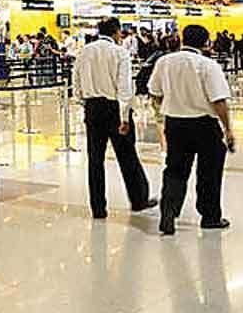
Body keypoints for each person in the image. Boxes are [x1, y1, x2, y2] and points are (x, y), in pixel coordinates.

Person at [149, 25, 235, 235]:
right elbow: (218, 101)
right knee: (209, 172)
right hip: (205, 125)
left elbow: (155, 92)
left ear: (182, 39)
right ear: (206, 42)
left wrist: (167, 109)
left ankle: (168, 213)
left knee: (175, 170)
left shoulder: (164, 62)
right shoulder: (208, 65)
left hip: (175, 124)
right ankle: (210, 217)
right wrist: (228, 130)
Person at [73, 17, 155, 219]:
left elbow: (76, 84)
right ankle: (138, 199)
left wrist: (86, 103)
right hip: (114, 109)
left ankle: (98, 208)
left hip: (92, 108)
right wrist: (124, 117)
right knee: (127, 155)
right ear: (116, 32)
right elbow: (124, 89)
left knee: (95, 159)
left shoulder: (84, 52)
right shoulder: (119, 53)